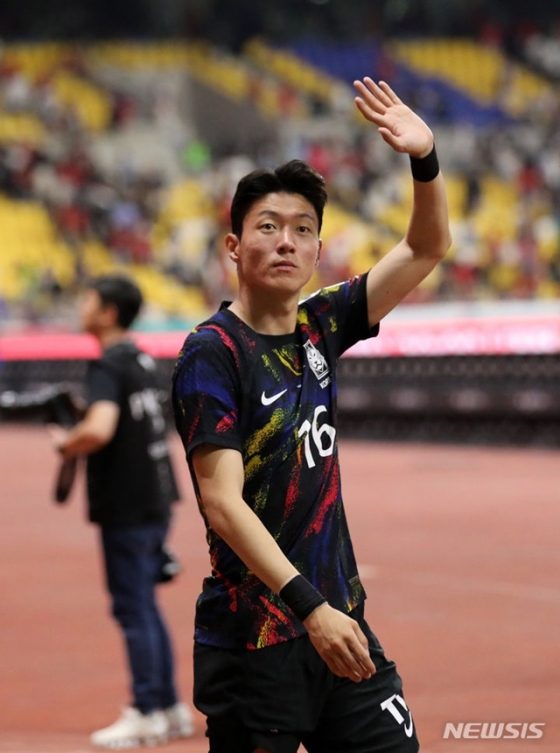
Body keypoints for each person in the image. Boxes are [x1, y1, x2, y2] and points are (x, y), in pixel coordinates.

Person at [172, 78, 451, 753]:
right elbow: (222, 503)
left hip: (340, 623)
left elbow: (425, 248)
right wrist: (309, 607)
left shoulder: (322, 322)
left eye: (303, 230)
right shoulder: (213, 352)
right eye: (268, 226)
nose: (287, 241)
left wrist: (425, 159)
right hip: (258, 639)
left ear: (318, 252)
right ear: (233, 246)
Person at [49, 273, 194, 749]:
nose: (82, 307)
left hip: (127, 503)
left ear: (108, 312)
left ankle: (147, 710)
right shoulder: (142, 359)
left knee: (133, 607)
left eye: (88, 300)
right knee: (146, 605)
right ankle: (169, 708)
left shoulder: (108, 363)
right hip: (157, 495)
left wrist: (67, 442)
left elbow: (100, 429)